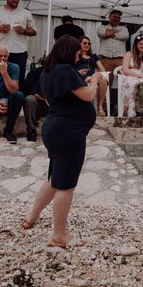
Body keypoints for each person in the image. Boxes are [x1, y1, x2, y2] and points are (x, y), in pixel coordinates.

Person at [21, 36, 103, 248]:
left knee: (54, 178)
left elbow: (50, 97)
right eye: (77, 51)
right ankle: (59, 235)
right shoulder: (66, 70)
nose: (79, 55)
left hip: (55, 127)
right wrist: (94, 81)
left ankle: (31, 218)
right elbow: (86, 96)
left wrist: (81, 83)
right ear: (70, 51)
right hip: (69, 131)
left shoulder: (49, 70)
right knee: (65, 185)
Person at [121, 35, 143, 117]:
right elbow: (125, 70)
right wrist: (139, 74)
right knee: (133, 83)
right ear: (136, 45)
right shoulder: (129, 54)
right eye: (140, 44)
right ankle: (131, 107)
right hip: (130, 75)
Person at [76, 36, 109, 117]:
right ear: (79, 44)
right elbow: (71, 68)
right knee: (92, 78)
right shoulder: (76, 55)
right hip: (80, 78)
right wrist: (78, 71)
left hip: (92, 77)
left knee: (103, 80)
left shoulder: (94, 56)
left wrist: (100, 74)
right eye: (84, 43)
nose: (87, 45)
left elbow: (102, 69)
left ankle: (100, 106)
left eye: (89, 43)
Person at [96, 9, 129, 84]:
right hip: (105, 58)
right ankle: (105, 96)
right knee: (105, 82)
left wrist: (108, 33)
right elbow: (101, 33)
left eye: (119, 18)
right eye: (115, 16)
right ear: (109, 16)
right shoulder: (102, 27)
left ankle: (123, 96)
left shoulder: (124, 28)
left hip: (120, 59)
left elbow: (125, 35)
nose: (117, 19)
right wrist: (116, 31)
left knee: (124, 81)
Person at [21, 65, 49, 142]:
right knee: (29, 99)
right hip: (39, 104)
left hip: (56, 105)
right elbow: (28, 92)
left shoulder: (62, 73)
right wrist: (43, 98)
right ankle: (31, 131)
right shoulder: (35, 72)